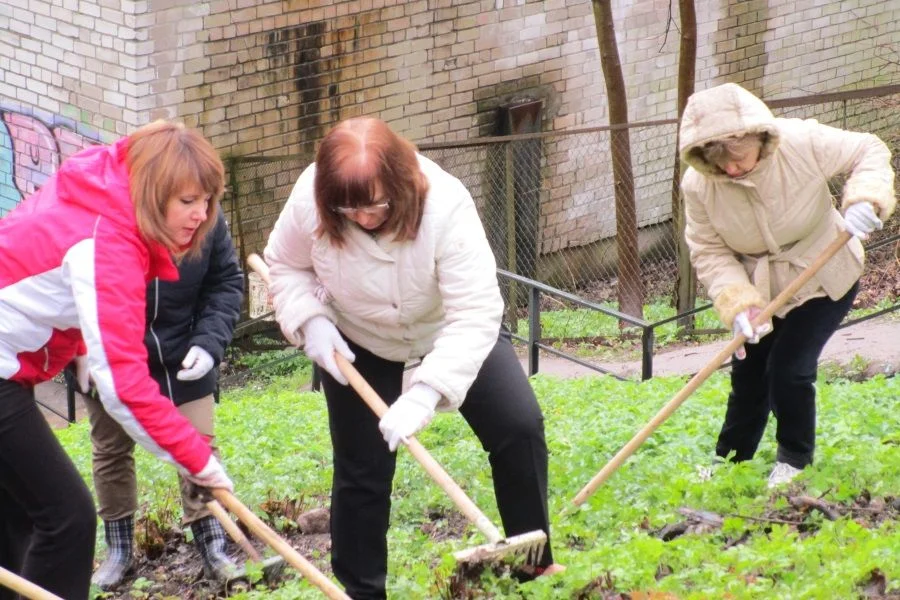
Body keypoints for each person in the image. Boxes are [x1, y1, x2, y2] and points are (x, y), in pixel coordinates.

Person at [264, 117, 563, 598]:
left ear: (401, 181)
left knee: (519, 427)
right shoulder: (310, 199)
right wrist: (310, 319)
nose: (363, 217)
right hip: (358, 337)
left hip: (447, 328)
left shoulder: (445, 204)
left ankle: (533, 564)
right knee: (363, 468)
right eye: (348, 208)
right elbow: (284, 266)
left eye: (376, 204)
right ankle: (362, 590)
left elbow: (475, 311)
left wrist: (426, 391)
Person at [0, 120, 234, 600]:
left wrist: (80, 345)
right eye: (188, 201)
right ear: (154, 193)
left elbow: (46, 275)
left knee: (18, 514)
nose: (201, 214)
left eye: (208, 200)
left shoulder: (104, 190)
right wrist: (197, 460)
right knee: (67, 518)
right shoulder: (108, 239)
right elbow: (125, 386)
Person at [678, 83, 895, 488]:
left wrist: (866, 199)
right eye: (720, 164)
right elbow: (708, 249)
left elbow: (868, 149)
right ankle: (731, 459)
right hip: (759, 289)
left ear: (759, 138)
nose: (731, 170)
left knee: (789, 370)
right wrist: (738, 303)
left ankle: (794, 459)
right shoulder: (698, 185)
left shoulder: (800, 141)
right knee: (748, 375)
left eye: (738, 159)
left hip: (823, 273)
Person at [80, 209, 244, 589]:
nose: (198, 208)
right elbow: (69, 285)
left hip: (183, 353)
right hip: (110, 352)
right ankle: (119, 550)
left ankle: (213, 546)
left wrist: (208, 342)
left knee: (199, 445)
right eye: (186, 199)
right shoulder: (104, 212)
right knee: (111, 449)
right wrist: (80, 346)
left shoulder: (207, 217)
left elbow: (225, 281)